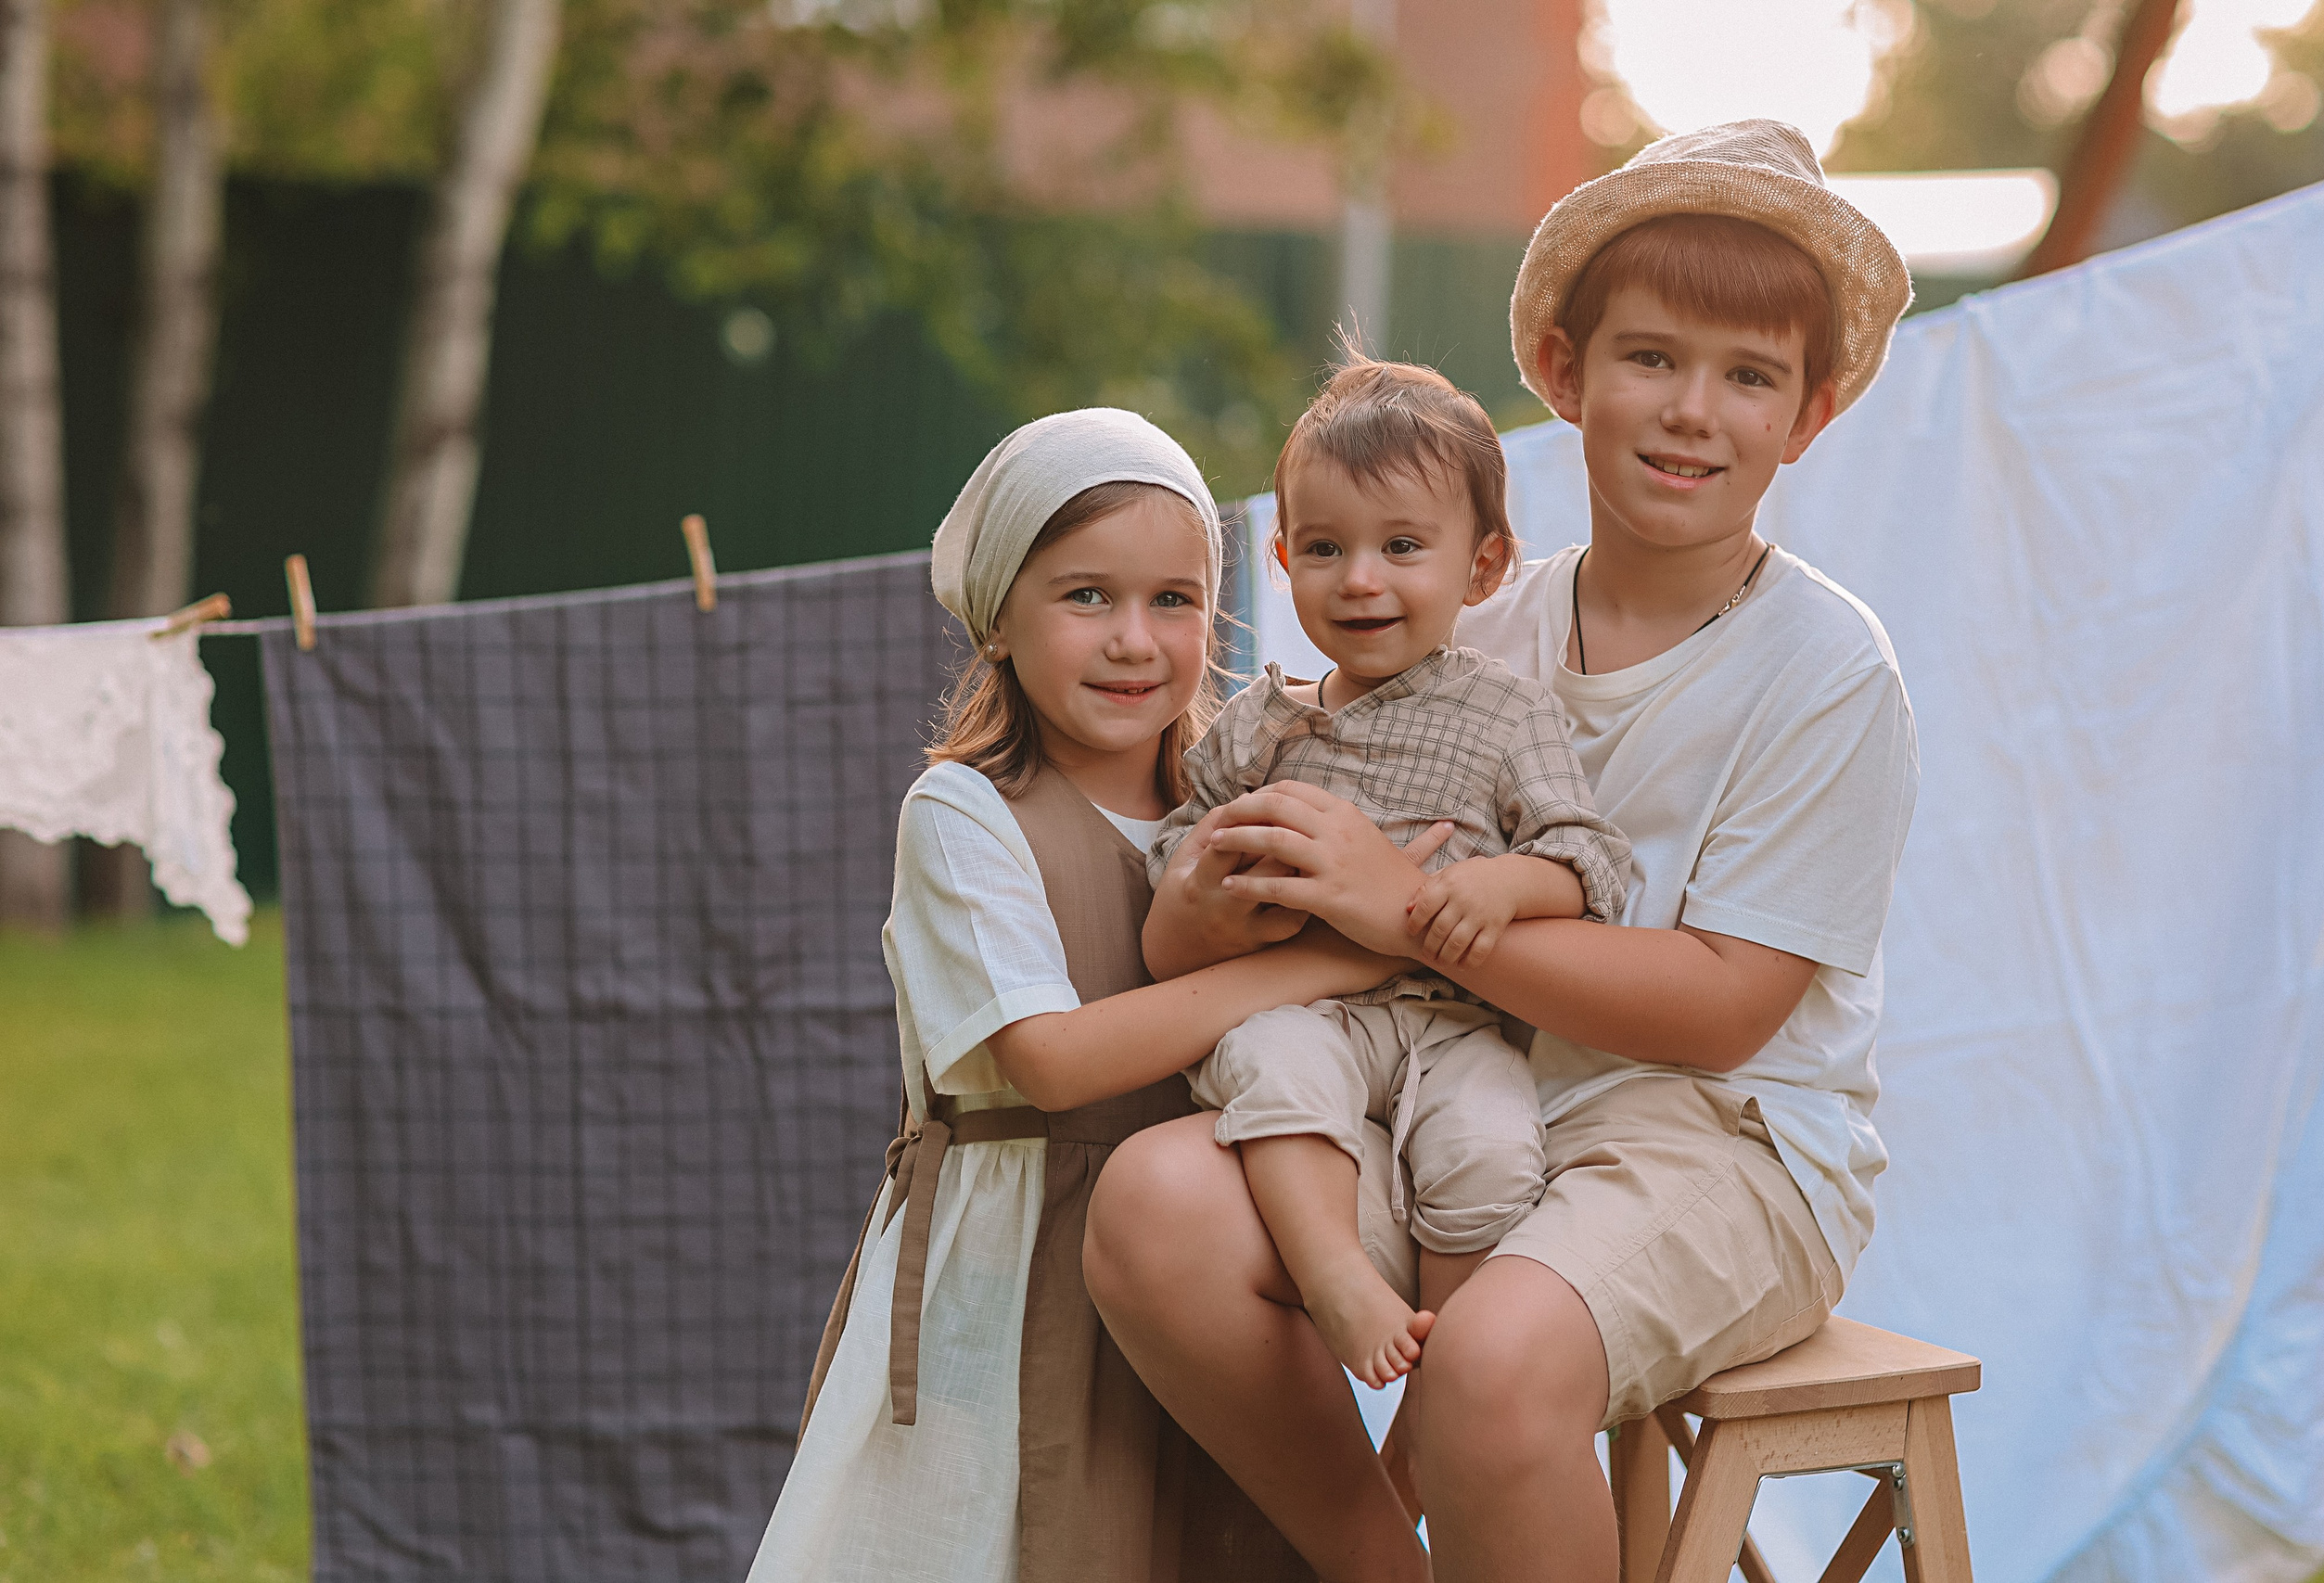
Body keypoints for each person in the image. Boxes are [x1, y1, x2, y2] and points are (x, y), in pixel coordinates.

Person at [1084, 119, 1922, 1581]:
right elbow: (1313, 880)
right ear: (1561, 368)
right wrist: (1229, 888)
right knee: (1150, 1203)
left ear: (1812, 413)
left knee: (1491, 1359)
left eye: (1750, 376)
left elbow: (1728, 1005)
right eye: (1651, 356)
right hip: (1460, 1087)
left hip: (1725, 1140)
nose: (1691, 410)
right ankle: (1374, 1560)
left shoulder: (1827, 668)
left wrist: (1402, 903)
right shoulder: (1469, 626)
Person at [747, 409, 1430, 1583]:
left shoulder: (1244, 797)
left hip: (1207, 1266)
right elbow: (1048, 1060)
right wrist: (1326, 960)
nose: (1132, 641)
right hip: (1018, 1270)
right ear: (1000, 619)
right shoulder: (966, 814)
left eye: (1172, 600)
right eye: (1085, 598)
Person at [1142, 357, 1630, 1390]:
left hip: (1456, 1019)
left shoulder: (1507, 713)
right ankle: (1334, 1278)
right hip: (1308, 1008)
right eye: (1324, 549)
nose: (1359, 578)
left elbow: (1592, 860)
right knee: (1275, 1071)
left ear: (1483, 567)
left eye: (1401, 546)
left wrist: (1506, 887)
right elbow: (1175, 852)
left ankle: (1443, 1385)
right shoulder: (1262, 722)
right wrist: (1212, 888)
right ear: (1280, 559)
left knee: (1496, 1150)